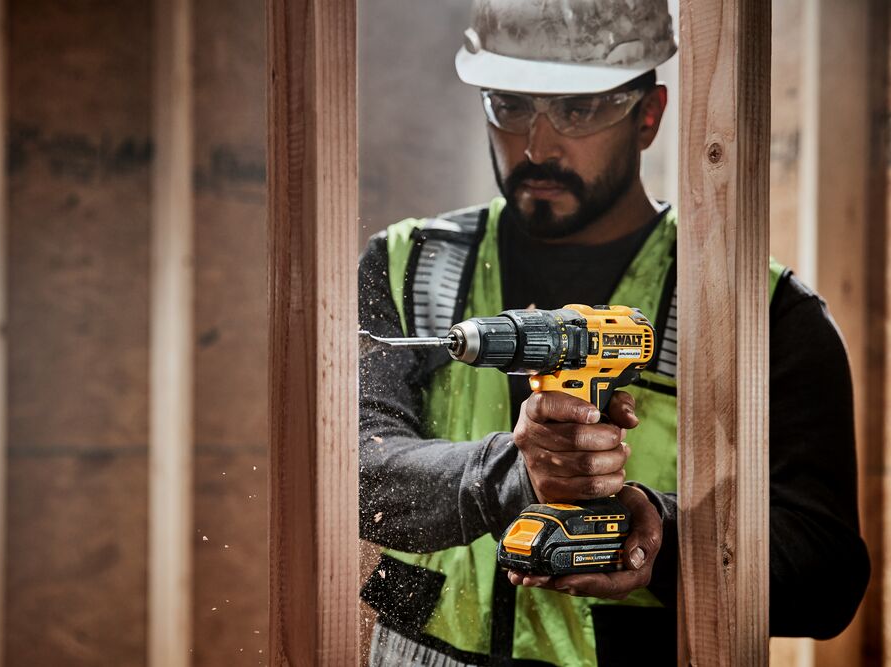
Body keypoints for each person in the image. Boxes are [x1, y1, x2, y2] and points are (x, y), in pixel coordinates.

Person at [358, 0, 870, 665]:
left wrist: (662, 534)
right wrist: (511, 477)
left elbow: (829, 578)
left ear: (649, 115)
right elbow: (355, 475)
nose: (537, 146)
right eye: (510, 105)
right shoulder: (408, 266)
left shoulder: (763, 312)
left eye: (577, 109)